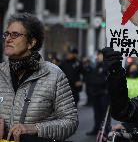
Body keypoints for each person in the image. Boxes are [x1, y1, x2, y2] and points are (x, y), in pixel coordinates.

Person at [0, 13, 78, 142]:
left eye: (15, 35)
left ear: (31, 42)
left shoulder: (54, 74)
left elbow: (71, 122)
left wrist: (36, 129)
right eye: (6, 34)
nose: (8, 39)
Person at [86, 50, 110, 136]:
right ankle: (96, 128)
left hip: (104, 94)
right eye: (98, 55)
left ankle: (106, 130)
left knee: (104, 114)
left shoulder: (107, 66)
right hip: (96, 93)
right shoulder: (97, 65)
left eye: (100, 55)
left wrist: (97, 81)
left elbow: (106, 80)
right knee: (97, 113)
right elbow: (92, 78)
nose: (98, 57)